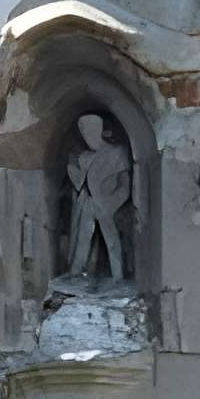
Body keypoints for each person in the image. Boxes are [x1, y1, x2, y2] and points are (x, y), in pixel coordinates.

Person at [63, 112, 133, 284]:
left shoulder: (117, 152)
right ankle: (76, 273)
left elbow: (125, 184)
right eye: (84, 135)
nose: (87, 138)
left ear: (98, 131)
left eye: (89, 133)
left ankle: (118, 276)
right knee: (82, 239)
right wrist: (73, 171)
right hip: (87, 202)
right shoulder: (85, 157)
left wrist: (112, 203)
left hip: (107, 203)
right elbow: (81, 181)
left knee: (112, 240)